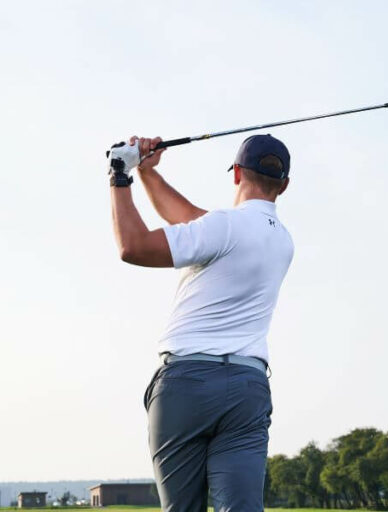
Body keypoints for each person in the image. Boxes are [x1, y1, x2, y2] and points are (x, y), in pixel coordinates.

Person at [107, 134, 294, 511]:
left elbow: (134, 246)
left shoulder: (222, 227)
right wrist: (147, 172)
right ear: (284, 185)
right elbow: (191, 221)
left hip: (187, 384)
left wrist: (120, 174)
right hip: (247, 389)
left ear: (237, 173)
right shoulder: (282, 240)